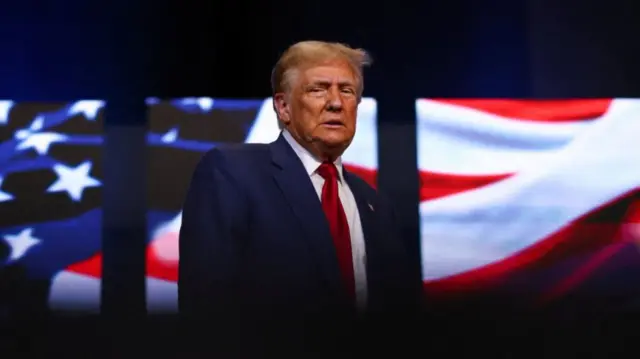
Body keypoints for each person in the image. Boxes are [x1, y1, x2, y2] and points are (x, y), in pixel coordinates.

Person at [178, 41, 423, 355]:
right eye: (318, 89)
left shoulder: (374, 204)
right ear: (283, 107)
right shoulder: (232, 173)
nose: (336, 102)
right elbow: (205, 310)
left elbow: (398, 319)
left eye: (347, 91)